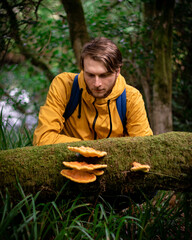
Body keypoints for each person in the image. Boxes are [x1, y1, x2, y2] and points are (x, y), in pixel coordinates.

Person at [33, 37, 153, 146]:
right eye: (90, 75)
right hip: (69, 164)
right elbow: (42, 138)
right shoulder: (64, 85)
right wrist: (90, 149)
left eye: (104, 75)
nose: (97, 84)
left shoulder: (131, 98)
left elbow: (143, 147)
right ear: (82, 69)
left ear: (117, 71)